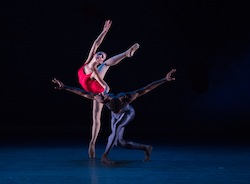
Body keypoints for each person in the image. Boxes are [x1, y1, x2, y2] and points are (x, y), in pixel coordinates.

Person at [52, 69, 177, 164]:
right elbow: (83, 93)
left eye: (117, 109)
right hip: (116, 117)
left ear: (123, 102)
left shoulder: (128, 97)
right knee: (119, 142)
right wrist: (65, 87)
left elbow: (147, 88)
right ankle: (146, 148)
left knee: (116, 127)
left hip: (128, 113)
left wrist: (164, 80)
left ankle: (105, 155)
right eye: (113, 109)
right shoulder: (103, 98)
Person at [77, 19, 140, 158]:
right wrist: (104, 31)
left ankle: (126, 53)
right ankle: (125, 54)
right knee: (95, 117)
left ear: (99, 60)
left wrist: (104, 86)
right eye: (99, 54)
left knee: (96, 117)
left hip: (97, 89)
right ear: (95, 55)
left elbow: (98, 78)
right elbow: (96, 43)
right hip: (94, 83)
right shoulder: (88, 62)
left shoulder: (95, 67)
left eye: (102, 56)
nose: (99, 55)